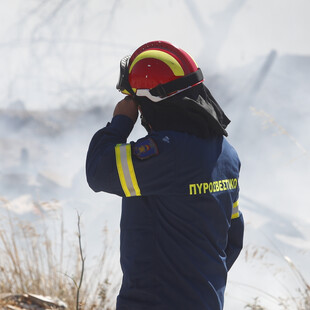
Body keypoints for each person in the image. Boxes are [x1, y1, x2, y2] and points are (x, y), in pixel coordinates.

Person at [86, 41, 244, 310]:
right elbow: (234, 239)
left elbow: (98, 171)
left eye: (136, 100)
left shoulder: (165, 154)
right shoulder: (226, 154)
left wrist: (121, 121)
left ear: (150, 103)